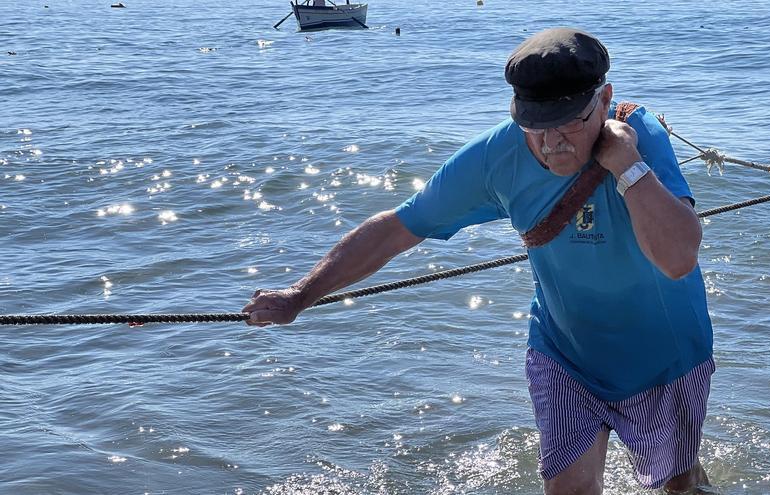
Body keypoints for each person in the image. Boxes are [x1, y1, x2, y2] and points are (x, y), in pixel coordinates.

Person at [243, 27, 714, 495]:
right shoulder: (496, 156)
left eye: (568, 121)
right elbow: (399, 227)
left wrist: (627, 164)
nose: (552, 143)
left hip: (663, 358)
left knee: (679, 486)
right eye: (535, 125)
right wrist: (299, 295)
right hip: (566, 354)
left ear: (604, 98)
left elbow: (677, 260)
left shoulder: (641, 136)